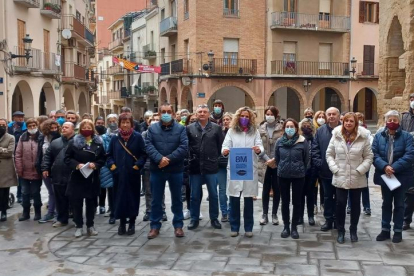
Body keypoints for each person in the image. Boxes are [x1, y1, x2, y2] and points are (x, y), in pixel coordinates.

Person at [326, 113, 373, 243]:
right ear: (343, 122)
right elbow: (329, 154)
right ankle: (341, 231)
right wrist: (335, 168)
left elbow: (369, 157)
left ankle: (353, 230)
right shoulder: (336, 136)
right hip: (340, 175)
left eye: (351, 121)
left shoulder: (363, 137)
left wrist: (360, 170)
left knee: (355, 205)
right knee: (340, 204)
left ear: (355, 123)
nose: (348, 123)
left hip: (356, 176)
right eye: (346, 121)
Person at [146, 103, 188, 239]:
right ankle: (154, 226)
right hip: (157, 169)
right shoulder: (152, 129)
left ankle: (178, 225)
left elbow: (183, 147)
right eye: (163, 111)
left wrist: (168, 159)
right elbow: (148, 145)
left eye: (169, 111)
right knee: (156, 199)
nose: (166, 114)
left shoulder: (181, 129)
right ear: (158, 114)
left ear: (174, 114)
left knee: (177, 199)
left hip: (175, 169)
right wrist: (159, 159)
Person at [222, 106, 263, 238]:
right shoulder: (231, 131)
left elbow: (260, 145)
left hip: (249, 169)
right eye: (242, 116)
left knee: (248, 200)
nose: (244, 118)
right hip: (235, 169)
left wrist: (258, 150)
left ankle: (248, 228)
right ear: (238, 117)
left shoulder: (254, 131)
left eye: (247, 116)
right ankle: (234, 227)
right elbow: (225, 145)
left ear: (250, 119)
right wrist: (225, 151)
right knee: (234, 199)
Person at [373, 110, 414, 243]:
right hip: (385, 175)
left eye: (394, 120)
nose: (392, 122)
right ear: (385, 121)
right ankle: (385, 230)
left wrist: (394, 167)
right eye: (389, 120)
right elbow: (374, 154)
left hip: (401, 175)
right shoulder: (379, 136)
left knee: (400, 204)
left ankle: (397, 231)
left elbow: (410, 155)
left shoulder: (407, 137)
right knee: (386, 203)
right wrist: (385, 166)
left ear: (399, 122)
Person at [64, 119, 105, 237]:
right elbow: (67, 158)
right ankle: (78, 226)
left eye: (89, 127)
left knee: (91, 203)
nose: (86, 129)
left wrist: (96, 165)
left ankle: (90, 225)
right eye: (84, 127)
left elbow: (102, 159)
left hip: (92, 177)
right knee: (77, 203)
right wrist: (77, 165)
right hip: (77, 177)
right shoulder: (73, 143)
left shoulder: (98, 143)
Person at [107, 114, 146, 235]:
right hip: (118, 174)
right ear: (119, 124)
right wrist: (112, 165)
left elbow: (144, 154)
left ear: (131, 124)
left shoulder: (137, 137)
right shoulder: (115, 138)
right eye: (123, 122)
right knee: (119, 198)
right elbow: (109, 155)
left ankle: (132, 223)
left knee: (132, 198)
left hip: (132, 174)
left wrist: (137, 165)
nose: (125, 125)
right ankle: (122, 222)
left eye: (127, 122)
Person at [187, 104, 223, 230]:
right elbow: (187, 147)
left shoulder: (216, 128)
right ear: (196, 114)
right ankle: (194, 218)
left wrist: (214, 159)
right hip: (195, 166)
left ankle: (214, 218)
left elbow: (220, 147)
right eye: (200, 111)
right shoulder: (189, 128)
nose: (202, 114)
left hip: (211, 166)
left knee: (213, 194)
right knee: (194, 195)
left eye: (204, 112)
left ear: (209, 114)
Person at [275, 119, 308, 239]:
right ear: (284, 128)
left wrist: (299, 169)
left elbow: (306, 159)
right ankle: (286, 226)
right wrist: (282, 167)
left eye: (292, 126)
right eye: (287, 126)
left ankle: (294, 227)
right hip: (283, 175)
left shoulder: (302, 142)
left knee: (297, 202)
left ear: (296, 128)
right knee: (285, 202)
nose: (289, 128)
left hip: (298, 176)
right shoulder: (279, 141)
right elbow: (277, 158)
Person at [42, 122, 75, 227]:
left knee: (74, 199)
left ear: (73, 129)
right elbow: (47, 156)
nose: (64, 129)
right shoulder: (55, 142)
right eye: (63, 127)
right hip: (58, 174)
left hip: (74, 175)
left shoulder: (78, 141)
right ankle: (62, 219)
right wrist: (45, 168)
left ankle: (77, 219)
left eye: (67, 127)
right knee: (60, 199)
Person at [312, 107, 341, 231]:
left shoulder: (344, 129)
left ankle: (338, 220)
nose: (331, 116)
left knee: (340, 198)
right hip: (325, 171)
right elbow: (315, 149)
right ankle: (328, 219)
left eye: (334, 114)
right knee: (328, 197)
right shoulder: (320, 131)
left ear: (338, 116)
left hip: (341, 171)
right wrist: (320, 163)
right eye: (329, 114)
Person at [258, 106, 283, 226]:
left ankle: (274, 214)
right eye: (267, 114)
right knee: (265, 189)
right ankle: (264, 214)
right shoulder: (261, 128)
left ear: (276, 115)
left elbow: (284, 146)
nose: (269, 116)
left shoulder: (282, 128)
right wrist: (268, 160)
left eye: (271, 114)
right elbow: (258, 146)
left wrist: (275, 160)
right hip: (264, 162)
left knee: (277, 189)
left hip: (278, 163)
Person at [15, 118, 42, 221]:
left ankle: (38, 212)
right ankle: (25, 213)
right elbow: (18, 154)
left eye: (34, 125)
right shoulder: (23, 137)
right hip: (24, 170)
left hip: (36, 170)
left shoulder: (41, 137)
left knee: (35, 192)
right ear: (27, 127)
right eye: (30, 126)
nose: (32, 128)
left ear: (37, 126)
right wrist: (19, 168)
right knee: (24, 192)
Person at [141, 114, 167, 222]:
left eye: (157, 120)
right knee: (148, 190)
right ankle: (149, 210)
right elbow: (143, 149)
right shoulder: (144, 134)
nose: (155, 122)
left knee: (161, 190)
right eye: (153, 120)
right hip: (148, 164)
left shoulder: (164, 134)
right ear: (148, 122)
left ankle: (162, 210)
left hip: (161, 164)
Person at [37, 119, 61, 223]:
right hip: (45, 168)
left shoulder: (59, 138)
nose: (54, 130)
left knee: (55, 192)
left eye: (56, 128)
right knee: (51, 192)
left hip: (56, 169)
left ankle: (54, 213)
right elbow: (40, 154)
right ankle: (51, 212)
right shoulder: (42, 138)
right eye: (52, 128)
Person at [95, 117, 114, 223]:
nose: (100, 125)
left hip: (106, 166)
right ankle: (100, 205)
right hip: (96, 166)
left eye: (102, 123)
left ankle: (111, 208)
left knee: (109, 187)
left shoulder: (107, 137)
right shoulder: (92, 137)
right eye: (98, 123)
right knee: (99, 188)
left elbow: (108, 151)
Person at [298, 118, 317, 226]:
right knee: (300, 196)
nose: (306, 127)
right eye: (304, 126)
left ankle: (310, 216)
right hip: (300, 172)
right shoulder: (299, 140)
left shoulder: (315, 140)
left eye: (308, 126)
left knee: (311, 195)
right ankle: (300, 216)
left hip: (311, 172)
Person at [401, 93, 414, 230]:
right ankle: (406, 219)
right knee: (409, 193)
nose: (413, 102)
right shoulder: (404, 117)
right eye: (411, 99)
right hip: (408, 158)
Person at [0, 118, 18, 222]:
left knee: (4, 191)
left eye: (3, 125)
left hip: (5, 168)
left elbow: (9, 152)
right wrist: (3, 150)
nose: (1, 126)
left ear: (7, 126)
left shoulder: (11, 137)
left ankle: (4, 211)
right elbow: (5, 151)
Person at [217, 112, 233, 222]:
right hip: (221, 164)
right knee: (222, 189)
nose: (226, 121)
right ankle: (224, 212)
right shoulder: (219, 133)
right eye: (224, 120)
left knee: (232, 189)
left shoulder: (236, 133)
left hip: (233, 164)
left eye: (228, 119)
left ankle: (231, 210)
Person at [8, 111, 26, 203]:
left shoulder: (25, 128)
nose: (20, 119)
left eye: (22, 117)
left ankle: (20, 194)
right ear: (14, 118)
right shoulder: (9, 127)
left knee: (20, 175)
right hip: (9, 155)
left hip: (21, 154)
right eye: (18, 117)